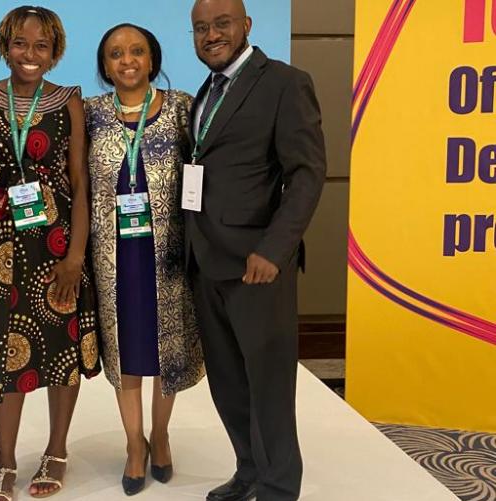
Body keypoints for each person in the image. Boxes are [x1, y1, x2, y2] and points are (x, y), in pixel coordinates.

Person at [186, 1, 326, 500]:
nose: (210, 35)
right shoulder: (205, 91)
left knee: (268, 385)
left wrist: (275, 249)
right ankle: (248, 471)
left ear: (246, 25)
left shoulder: (285, 82)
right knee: (228, 382)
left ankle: (278, 485)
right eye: (200, 28)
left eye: (221, 24)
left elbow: (307, 175)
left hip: (257, 266)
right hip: (205, 262)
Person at [0, 5, 100, 500]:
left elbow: (80, 183)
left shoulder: (69, 101)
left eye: (41, 45)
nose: (30, 54)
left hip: (58, 242)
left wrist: (75, 257)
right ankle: (4, 464)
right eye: (20, 43)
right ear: (5, 45)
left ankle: (57, 450)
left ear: (55, 51)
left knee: (63, 347)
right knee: (4, 351)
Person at [85, 23, 204, 496]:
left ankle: (161, 433)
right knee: (127, 349)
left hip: (169, 255)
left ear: (152, 59)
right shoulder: (90, 113)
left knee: (167, 348)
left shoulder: (183, 109)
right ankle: (134, 443)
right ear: (105, 66)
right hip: (114, 257)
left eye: (136, 51)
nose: (127, 60)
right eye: (116, 53)